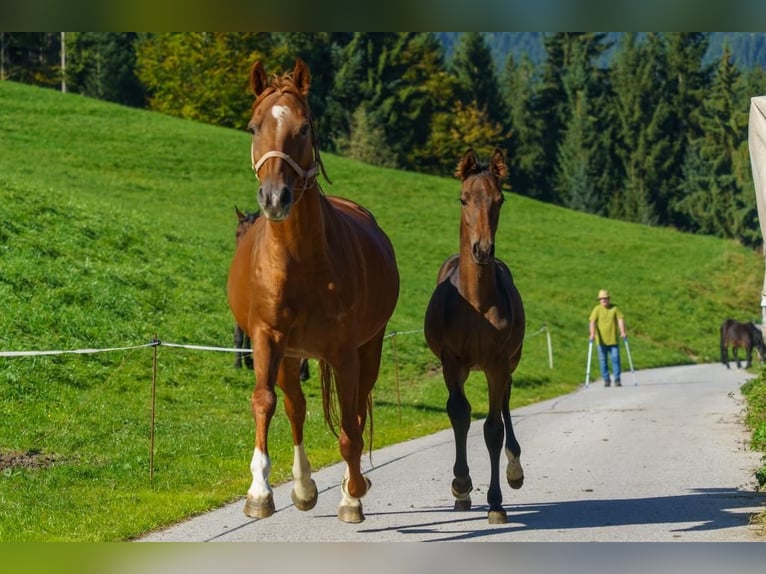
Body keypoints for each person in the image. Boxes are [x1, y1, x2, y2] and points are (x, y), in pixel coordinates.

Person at [589, 289, 627, 387]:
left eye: (605, 298)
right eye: (602, 299)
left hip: (613, 340)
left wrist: (622, 332)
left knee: (615, 359)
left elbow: (620, 319)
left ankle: (617, 379)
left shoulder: (615, 308)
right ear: (599, 300)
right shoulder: (597, 309)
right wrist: (592, 334)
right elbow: (592, 321)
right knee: (603, 361)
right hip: (601, 341)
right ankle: (606, 379)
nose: (604, 300)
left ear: (608, 299)